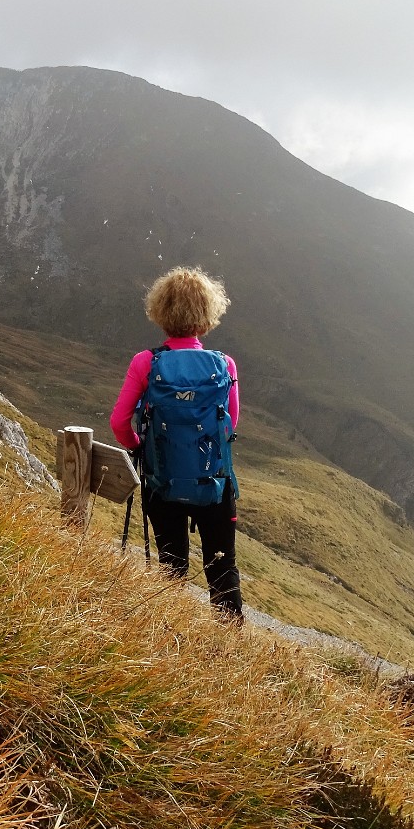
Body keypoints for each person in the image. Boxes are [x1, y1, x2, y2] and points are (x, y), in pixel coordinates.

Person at [110, 267, 243, 622]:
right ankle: (231, 654)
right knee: (223, 566)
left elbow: (119, 422)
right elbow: (229, 424)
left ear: (161, 310)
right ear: (206, 314)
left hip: (161, 481)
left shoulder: (146, 363)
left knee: (172, 566)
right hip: (213, 482)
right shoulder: (224, 365)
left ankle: (172, 644)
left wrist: (141, 446)